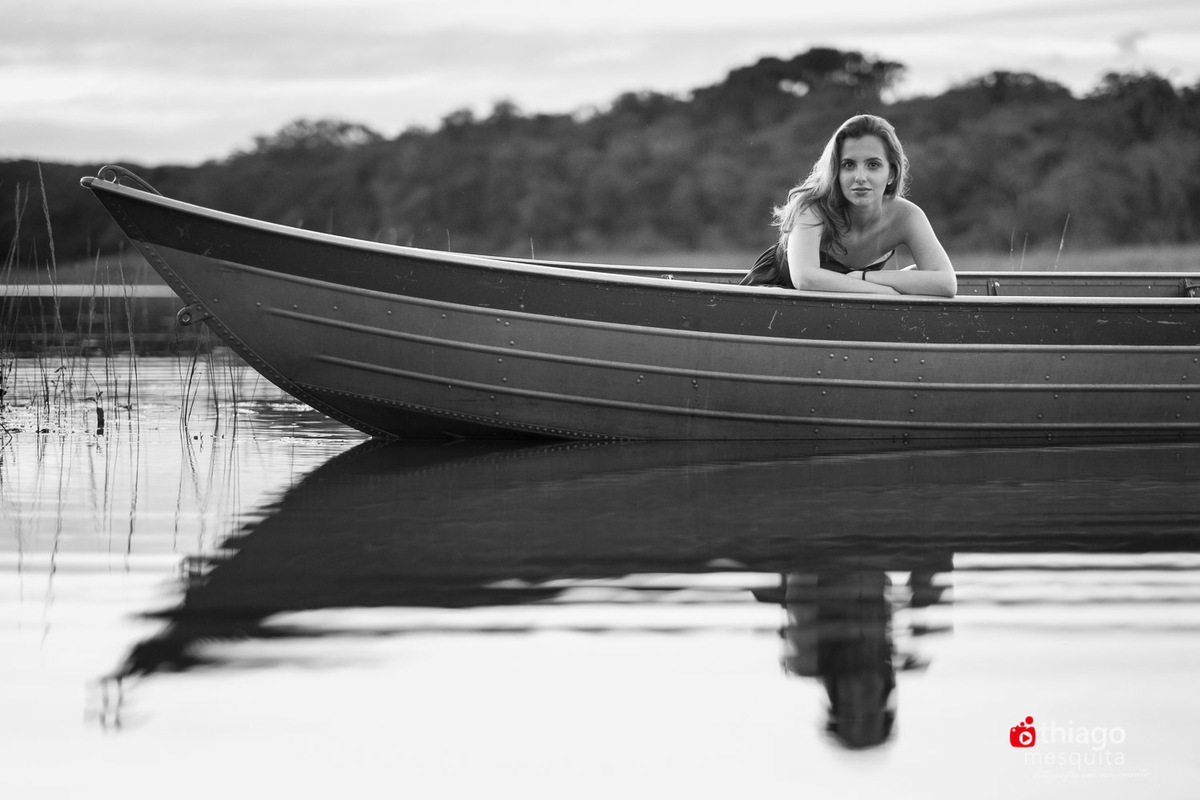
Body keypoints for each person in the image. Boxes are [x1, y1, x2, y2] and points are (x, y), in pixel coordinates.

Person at [742, 114, 956, 297]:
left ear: (891, 173)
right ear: (836, 171)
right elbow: (805, 279)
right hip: (777, 300)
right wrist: (884, 291)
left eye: (873, 165)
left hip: (848, 309)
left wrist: (866, 277)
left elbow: (946, 283)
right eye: (848, 165)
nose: (860, 177)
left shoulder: (907, 216)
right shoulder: (812, 208)